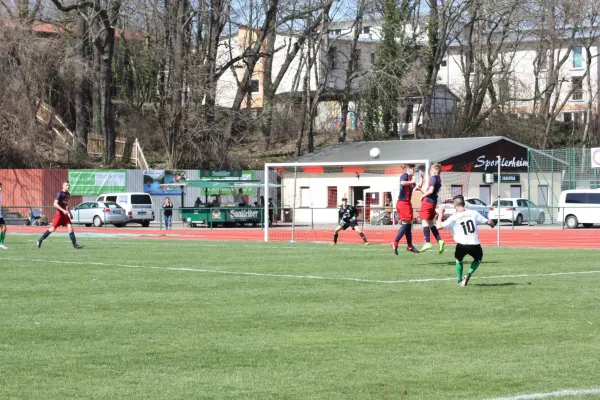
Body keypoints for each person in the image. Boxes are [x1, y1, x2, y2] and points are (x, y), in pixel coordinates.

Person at [436, 195, 496, 287]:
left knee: (459, 260)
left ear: (455, 206)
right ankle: (468, 274)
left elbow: (439, 226)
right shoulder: (473, 213)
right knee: (478, 259)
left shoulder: (454, 217)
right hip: (475, 244)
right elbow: (489, 222)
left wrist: (440, 213)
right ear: (464, 204)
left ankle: (459, 280)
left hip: (462, 244)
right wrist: (492, 223)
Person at [37, 181, 84, 249]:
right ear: (63, 186)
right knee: (52, 229)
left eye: (69, 185)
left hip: (65, 215)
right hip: (59, 214)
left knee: (70, 228)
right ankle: (40, 240)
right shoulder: (60, 193)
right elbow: (55, 204)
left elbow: (66, 205)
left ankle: (75, 245)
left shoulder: (68, 194)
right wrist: (63, 210)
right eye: (66, 185)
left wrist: (69, 213)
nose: (68, 186)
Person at [391, 164, 419, 254]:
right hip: (402, 202)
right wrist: (412, 182)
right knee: (406, 223)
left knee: (408, 225)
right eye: (413, 169)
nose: (414, 171)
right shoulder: (405, 175)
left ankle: (410, 246)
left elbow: (417, 187)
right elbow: (402, 182)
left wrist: (421, 179)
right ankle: (395, 243)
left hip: (407, 203)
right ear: (409, 169)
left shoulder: (411, 179)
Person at [418, 164, 445, 253]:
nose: (430, 171)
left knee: (424, 221)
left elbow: (430, 191)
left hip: (428, 202)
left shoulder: (434, 178)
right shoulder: (438, 179)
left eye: (431, 170)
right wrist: (421, 189)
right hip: (432, 202)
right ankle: (439, 240)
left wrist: (423, 195)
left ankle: (427, 242)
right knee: (430, 223)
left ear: (436, 171)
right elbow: (430, 192)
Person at [0, 182, 7, 250]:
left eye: (1, 187)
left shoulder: (0, 196)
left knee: (4, 228)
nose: (1, 188)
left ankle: (1, 243)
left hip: (0, 216)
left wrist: (2, 212)